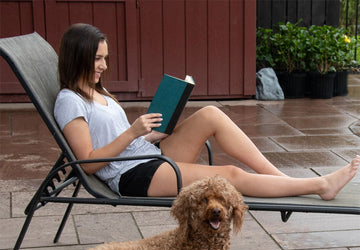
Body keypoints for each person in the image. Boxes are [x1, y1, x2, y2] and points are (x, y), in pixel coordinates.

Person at [55, 23, 360, 200]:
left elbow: (121, 141)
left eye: (105, 58)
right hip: (132, 175)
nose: (104, 66)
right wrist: (133, 132)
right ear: (78, 57)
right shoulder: (70, 100)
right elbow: (89, 163)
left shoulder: (97, 91)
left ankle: (281, 181)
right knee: (229, 175)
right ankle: (321, 185)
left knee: (211, 113)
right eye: (97, 59)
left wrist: (149, 135)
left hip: (144, 154)